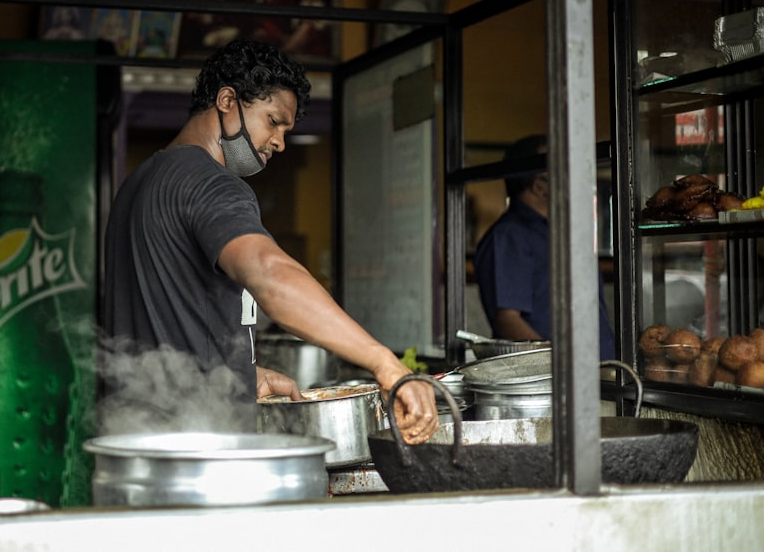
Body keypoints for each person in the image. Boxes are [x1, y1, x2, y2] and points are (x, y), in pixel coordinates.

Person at [101, 38, 439, 443]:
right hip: (197, 448)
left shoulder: (139, 183)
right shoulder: (213, 184)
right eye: (274, 120)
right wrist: (386, 363)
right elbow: (270, 274)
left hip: (132, 438)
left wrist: (239, 374)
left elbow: (166, 318)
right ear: (227, 100)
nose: (279, 141)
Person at [473, 134, 616, 360]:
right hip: (557, 381)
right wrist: (560, 363)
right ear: (539, 186)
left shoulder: (558, 233)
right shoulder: (511, 235)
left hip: (597, 371)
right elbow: (508, 320)